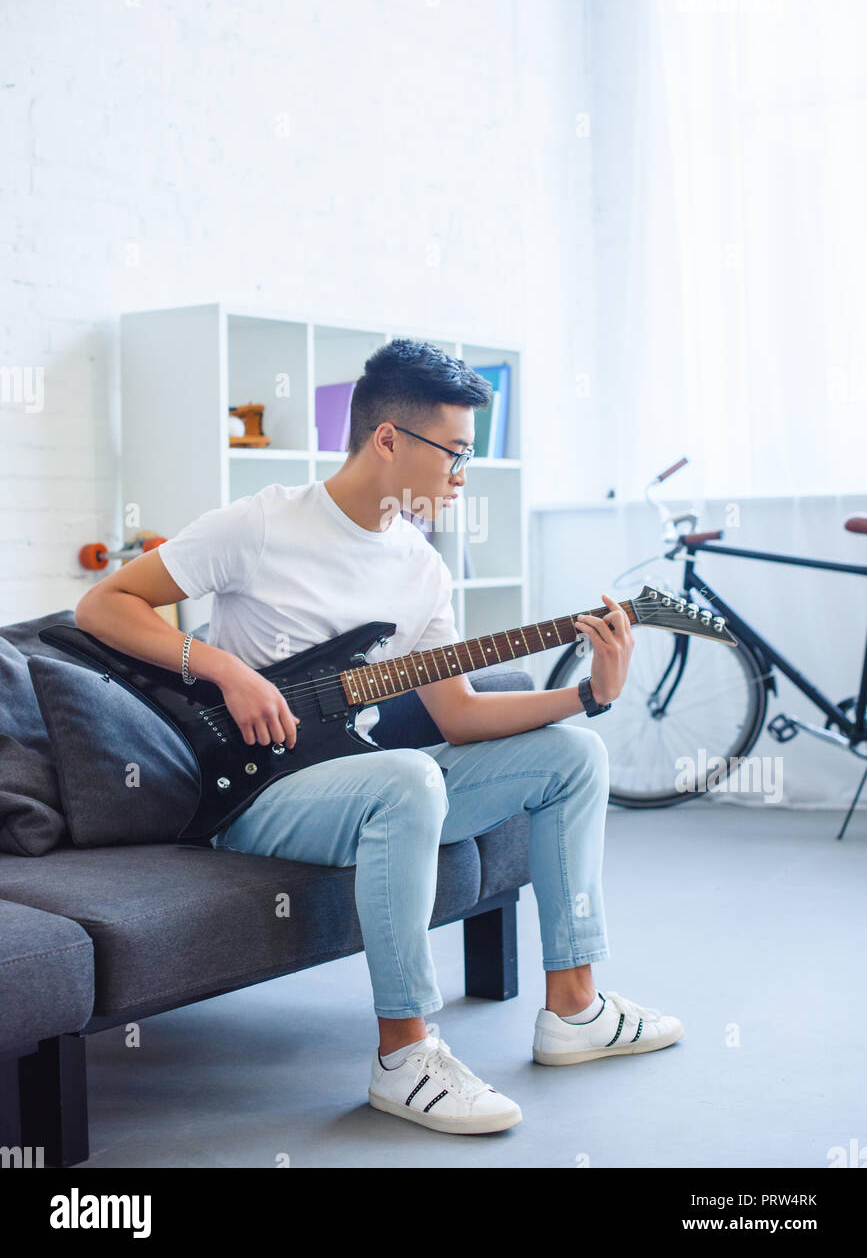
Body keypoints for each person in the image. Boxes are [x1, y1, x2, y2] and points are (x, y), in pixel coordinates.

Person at [75, 338, 683, 1136]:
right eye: (455, 453)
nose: (462, 474)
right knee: (408, 778)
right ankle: (404, 1055)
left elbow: (458, 715)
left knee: (573, 756)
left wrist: (585, 696)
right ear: (389, 438)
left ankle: (573, 1010)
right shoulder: (261, 523)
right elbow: (104, 604)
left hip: (356, 780)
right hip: (259, 796)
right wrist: (226, 667)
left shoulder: (421, 567)